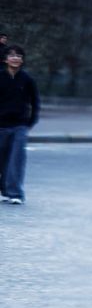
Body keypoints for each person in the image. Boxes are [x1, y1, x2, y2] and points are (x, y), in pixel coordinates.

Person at [0, 44, 39, 206]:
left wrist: (30, 121)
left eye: (19, 56)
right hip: (1, 125)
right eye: (12, 55)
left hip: (20, 126)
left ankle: (15, 192)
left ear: (22, 60)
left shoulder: (27, 79)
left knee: (16, 160)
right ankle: (4, 188)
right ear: (5, 59)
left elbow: (35, 102)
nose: (15, 58)